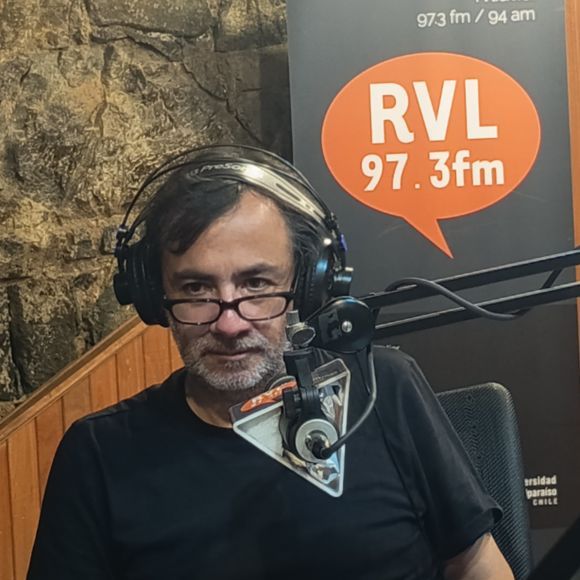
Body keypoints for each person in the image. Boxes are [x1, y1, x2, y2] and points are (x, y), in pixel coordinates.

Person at [27, 145, 514, 579]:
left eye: (256, 284)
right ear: (155, 297)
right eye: (196, 288)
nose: (229, 323)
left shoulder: (382, 388)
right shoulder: (100, 454)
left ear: (307, 285)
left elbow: (475, 563)